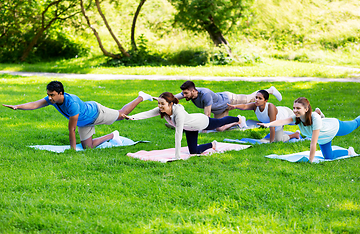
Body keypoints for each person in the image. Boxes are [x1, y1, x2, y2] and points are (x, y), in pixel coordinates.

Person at [3, 81, 153, 150]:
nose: (49, 98)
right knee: (88, 147)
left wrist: (73, 150)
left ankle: (141, 96)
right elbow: (35, 104)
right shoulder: (52, 100)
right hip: (84, 122)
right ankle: (112, 136)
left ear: (61, 93)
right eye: (48, 95)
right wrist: (17, 107)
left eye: (52, 95)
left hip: (96, 113)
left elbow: (71, 129)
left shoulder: (71, 103)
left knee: (122, 114)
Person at [125, 92, 247, 159]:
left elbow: (178, 135)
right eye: (159, 104)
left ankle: (239, 119)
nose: (160, 106)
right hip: (190, 128)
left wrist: (177, 156)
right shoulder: (162, 110)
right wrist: (132, 117)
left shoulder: (178, 113)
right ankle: (212, 144)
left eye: (162, 104)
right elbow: (147, 114)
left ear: (171, 103)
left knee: (220, 122)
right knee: (193, 152)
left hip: (201, 122)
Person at [257, 97, 360, 163]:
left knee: (355, 124)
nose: (295, 110)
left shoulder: (314, 118)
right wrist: (268, 124)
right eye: (294, 108)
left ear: (306, 109)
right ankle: (349, 151)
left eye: (298, 108)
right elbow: (281, 121)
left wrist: (310, 160)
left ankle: (320, 114)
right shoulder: (296, 117)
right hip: (324, 138)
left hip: (335, 127)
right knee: (329, 157)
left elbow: (313, 143)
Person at [174, 81, 283, 131]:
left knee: (249, 98)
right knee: (220, 129)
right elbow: (174, 98)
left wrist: (203, 129)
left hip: (228, 99)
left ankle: (271, 90)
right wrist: (163, 100)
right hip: (219, 110)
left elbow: (207, 115)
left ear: (193, 91)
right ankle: (239, 121)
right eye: (183, 93)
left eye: (186, 94)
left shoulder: (205, 94)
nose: (184, 96)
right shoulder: (189, 92)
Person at [227, 90, 300, 143]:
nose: (257, 100)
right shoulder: (255, 106)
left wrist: (271, 142)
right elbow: (245, 106)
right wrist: (235, 106)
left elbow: (272, 125)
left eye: (260, 98)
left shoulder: (270, 107)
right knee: (279, 139)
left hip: (286, 115)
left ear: (266, 100)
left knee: (302, 121)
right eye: (256, 97)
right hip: (279, 121)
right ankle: (295, 135)